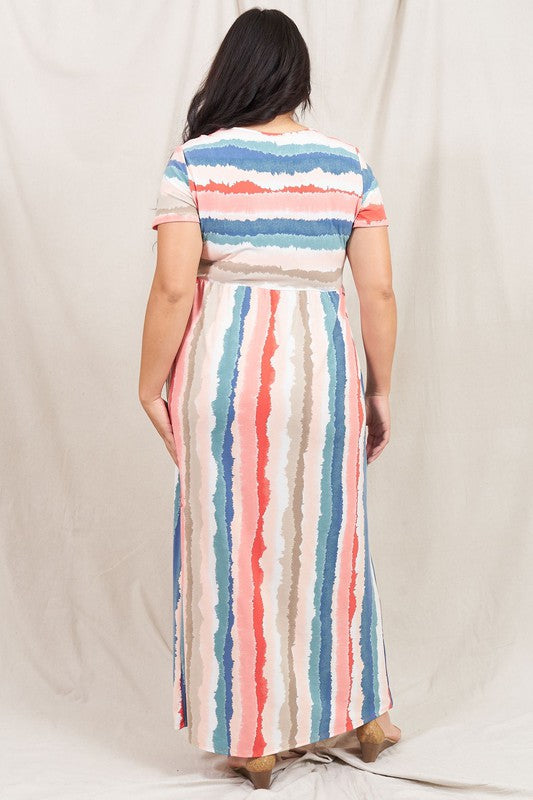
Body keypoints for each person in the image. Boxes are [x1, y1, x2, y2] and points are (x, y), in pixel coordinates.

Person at [139, 7, 400, 791]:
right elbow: (378, 289)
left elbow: (173, 285)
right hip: (322, 370)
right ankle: (365, 714)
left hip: (224, 373)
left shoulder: (193, 163)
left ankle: (255, 735)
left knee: (228, 547)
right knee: (333, 542)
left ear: (230, 73)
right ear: (297, 78)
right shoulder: (347, 163)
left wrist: (148, 384)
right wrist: (380, 386)